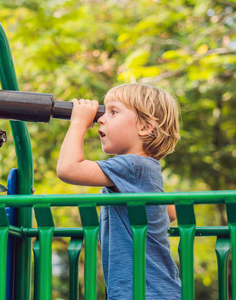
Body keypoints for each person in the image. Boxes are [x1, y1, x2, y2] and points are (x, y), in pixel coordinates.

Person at [57, 83, 181, 299]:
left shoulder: (133, 166)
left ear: (144, 127)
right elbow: (169, 213)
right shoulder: (144, 169)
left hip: (146, 292)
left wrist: (79, 123)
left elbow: (69, 169)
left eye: (113, 112)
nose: (101, 118)